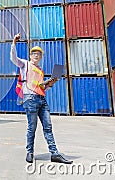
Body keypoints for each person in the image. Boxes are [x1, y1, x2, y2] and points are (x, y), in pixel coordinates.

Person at [10, 33, 72, 164]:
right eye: (34, 53)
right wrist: (14, 43)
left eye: (39, 54)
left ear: (41, 56)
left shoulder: (41, 70)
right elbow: (13, 58)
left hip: (42, 99)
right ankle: (30, 152)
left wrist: (51, 83)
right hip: (30, 99)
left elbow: (42, 87)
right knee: (32, 127)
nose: (36, 55)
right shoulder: (25, 64)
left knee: (48, 127)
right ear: (30, 55)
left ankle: (54, 154)